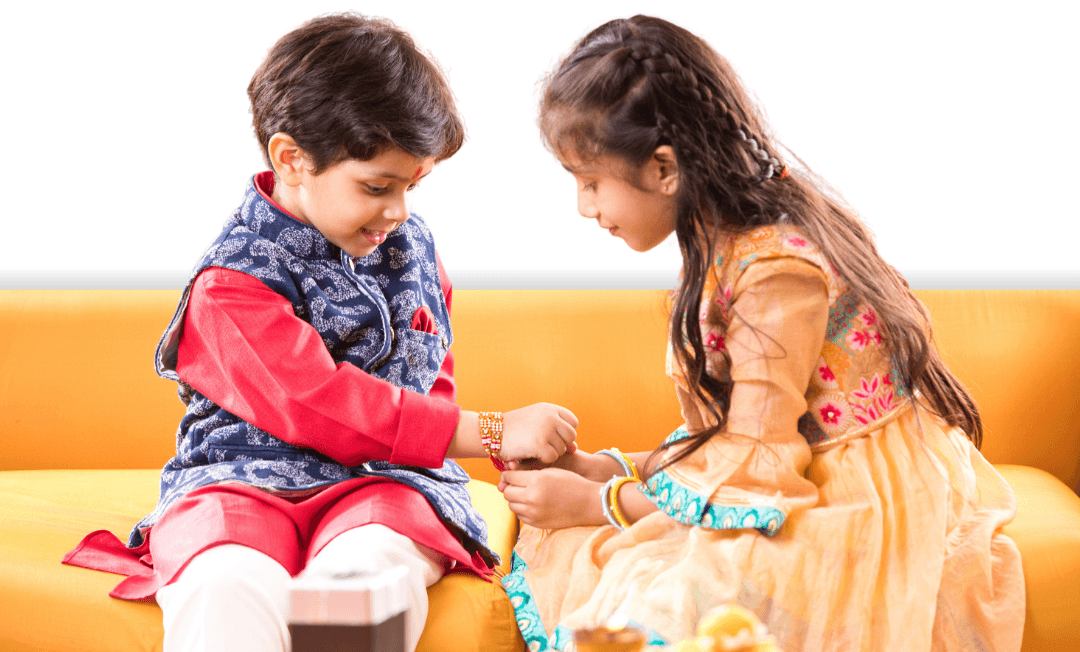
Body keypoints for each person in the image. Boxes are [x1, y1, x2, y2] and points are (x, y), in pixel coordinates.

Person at [497, 14, 1024, 652]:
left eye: (590, 182)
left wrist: (600, 502)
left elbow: (757, 473)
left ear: (665, 168)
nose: (585, 207)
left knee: (659, 598)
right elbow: (727, 441)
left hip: (840, 506)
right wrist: (598, 467)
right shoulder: (731, 239)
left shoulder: (776, 272)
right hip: (791, 474)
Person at [61, 13, 578, 652]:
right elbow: (319, 403)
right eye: (377, 186)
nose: (398, 210)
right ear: (292, 158)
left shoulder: (409, 244)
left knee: (363, 584)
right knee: (225, 584)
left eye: (412, 185)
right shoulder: (232, 280)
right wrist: (492, 430)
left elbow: (429, 367)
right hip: (239, 477)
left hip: (386, 485)